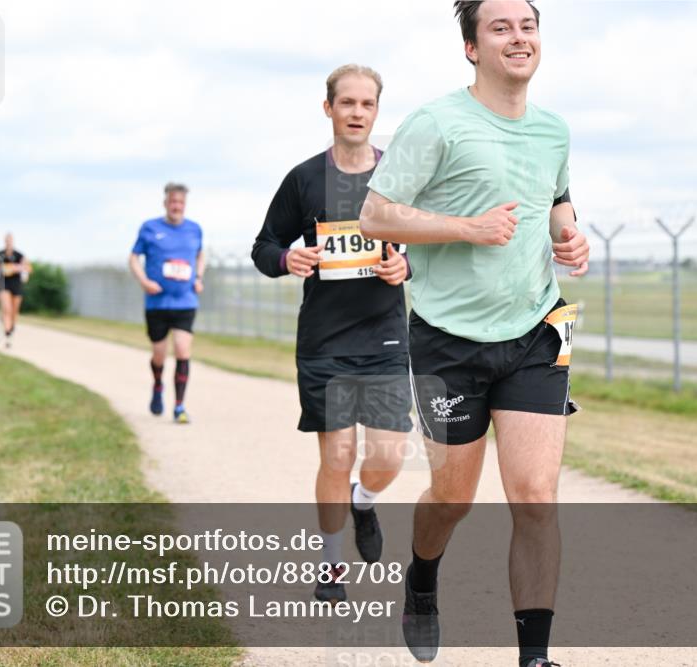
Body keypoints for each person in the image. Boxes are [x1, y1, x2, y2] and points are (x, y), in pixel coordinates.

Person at [359, 2, 590, 665]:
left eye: (527, 26)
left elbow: (556, 201)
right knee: (452, 497)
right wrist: (466, 228)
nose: (519, 38)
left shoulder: (553, 130)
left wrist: (570, 236)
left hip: (535, 331)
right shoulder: (437, 123)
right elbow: (376, 216)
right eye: (500, 27)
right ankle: (423, 577)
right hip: (447, 338)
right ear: (471, 47)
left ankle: (534, 656)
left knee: (536, 495)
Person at [252, 64, 412, 604]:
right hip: (324, 341)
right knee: (336, 454)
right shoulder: (303, 179)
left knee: (388, 456)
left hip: (385, 336)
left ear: (376, 112)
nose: (357, 113)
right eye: (347, 103)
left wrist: (406, 267)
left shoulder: (398, 176)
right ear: (329, 109)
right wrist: (287, 257)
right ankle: (331, 568)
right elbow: (263, 246)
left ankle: (363, 502)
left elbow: (430, 244)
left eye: (367, 105)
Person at [129, 183, 204, 424]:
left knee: (182, 349)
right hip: (157, 303)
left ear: (185, 205)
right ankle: (158, 385)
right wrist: (144, 281)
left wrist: (199, 277)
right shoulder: (150, 228)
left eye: (180, 203)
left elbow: (201, 254)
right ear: (165, 203)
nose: (176, 206)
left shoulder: (194, 229)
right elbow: (133, 257)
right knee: (159, 354)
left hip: (185, 301)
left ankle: (179, 406)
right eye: (173, 202)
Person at [0, 233, 32, 348]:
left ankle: (11, 328)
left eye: (10, 240)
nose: (8, 242)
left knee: (14, 311)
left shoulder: (19, 255)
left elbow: (28, 268)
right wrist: (16, 267)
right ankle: (7, 334)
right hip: (4, 284)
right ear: (4, 241)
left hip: (16, 285)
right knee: (7, 309)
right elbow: (1, 269)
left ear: (13, 242)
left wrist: (19, 269)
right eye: (7, 240)